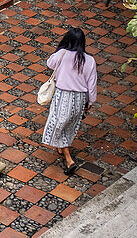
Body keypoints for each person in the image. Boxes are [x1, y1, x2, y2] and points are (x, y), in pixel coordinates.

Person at [42, 28, 97, 175]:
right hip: (79, 99)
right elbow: (92, 84)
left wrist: (61, 49)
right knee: (68, 125)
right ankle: (62, 149)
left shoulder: (62, 54)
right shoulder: (90, 61)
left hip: (62, 96)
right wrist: (90, 101)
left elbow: (49, 63)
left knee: (58, 124)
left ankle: (68, 159)